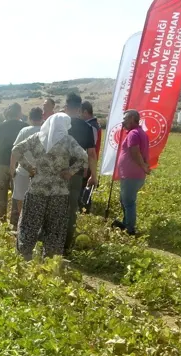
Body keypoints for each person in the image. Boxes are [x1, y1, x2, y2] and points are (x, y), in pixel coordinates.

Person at [11, 114, 88, 260]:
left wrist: (29, 167)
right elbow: (84, 157)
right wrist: (70, 172)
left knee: (30, 224)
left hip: (37, 189)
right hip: (59, 192)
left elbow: (16, 150)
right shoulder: (68, 140)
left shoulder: (36, 137)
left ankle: (24, 257)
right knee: (55, 227)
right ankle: (50, 261)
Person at [63, 93, 98, 252]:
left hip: (55, 173)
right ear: (79, 108)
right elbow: (91, 154)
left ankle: (48, 242)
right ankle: (66, 246)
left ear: (66, 106)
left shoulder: (57, 123)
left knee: (51, 205)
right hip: (75, 175)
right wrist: (93, 175)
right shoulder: (87, 127)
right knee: (71, 211)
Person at [114, 109, 150, 235]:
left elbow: (135, 153)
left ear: (133, 118)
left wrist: (144, 166)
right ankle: (126, 223)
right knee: (124, 199)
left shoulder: (133, 134)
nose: (123, 121)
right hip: (133, 175)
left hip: (131, 175)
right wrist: (144, 166)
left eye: (125, 119)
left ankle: (130, 229)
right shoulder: (140, 133)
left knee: (128, 202)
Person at [8, 107, 45, 230]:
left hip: (23, 171)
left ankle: (22, 224)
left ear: (29, 118)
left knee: (20, 199)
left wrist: (12, 167)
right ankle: (35, 226)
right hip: (41, 173)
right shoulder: (46, 132)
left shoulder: (24, 131)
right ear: (42, 117)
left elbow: (15, 151)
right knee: (38, 201)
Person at [0, 103, 27, 222]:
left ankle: (2, 218)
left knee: (2, 190)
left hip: (2, 162)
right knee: (17, 193)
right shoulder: (24, 127)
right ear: (19, 113)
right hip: (18, 164)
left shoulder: (1, 126)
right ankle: (14, 220)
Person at [79, 100, 102, 213]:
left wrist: (87, 166)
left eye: (80, 112)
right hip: (89, 162)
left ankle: (84, 210)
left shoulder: (90, 127)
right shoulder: (94, 125)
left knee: (85, 189)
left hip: (87, 163)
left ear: (85, 112)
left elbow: (90, 150)